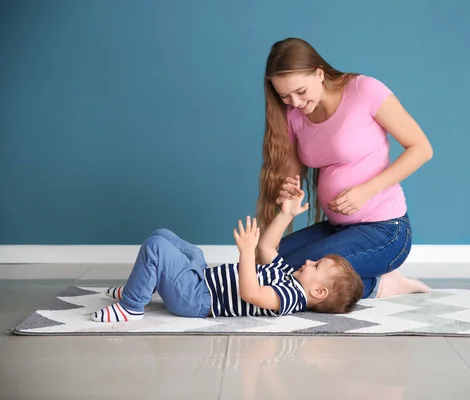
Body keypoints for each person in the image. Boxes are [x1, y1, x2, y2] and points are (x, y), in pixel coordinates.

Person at [257, 37, 433, 300]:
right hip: (337, 228)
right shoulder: (294, 115)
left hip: (385, 230)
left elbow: (421, 148)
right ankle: (374, 280)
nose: (295, 102)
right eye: (285, 96)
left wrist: (368, 190)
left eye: (301, 91)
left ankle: (382, 286)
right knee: (260, 265)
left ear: (319, 73)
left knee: (286, 277)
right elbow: (293, 176)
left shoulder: (364, 91)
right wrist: (289, 190)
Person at [91, 188, 363, 323]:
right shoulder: (288, 276)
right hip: (202, 279)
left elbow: (251, 293)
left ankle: (131, 307)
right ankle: (140, 287)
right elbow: (268, 249)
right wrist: (286, 214)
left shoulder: (290, 298)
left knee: (155, 248)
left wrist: (246, 253)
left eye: (315, 265)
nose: (308, 261)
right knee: (163, 236)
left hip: (197, 300)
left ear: (318, 292)